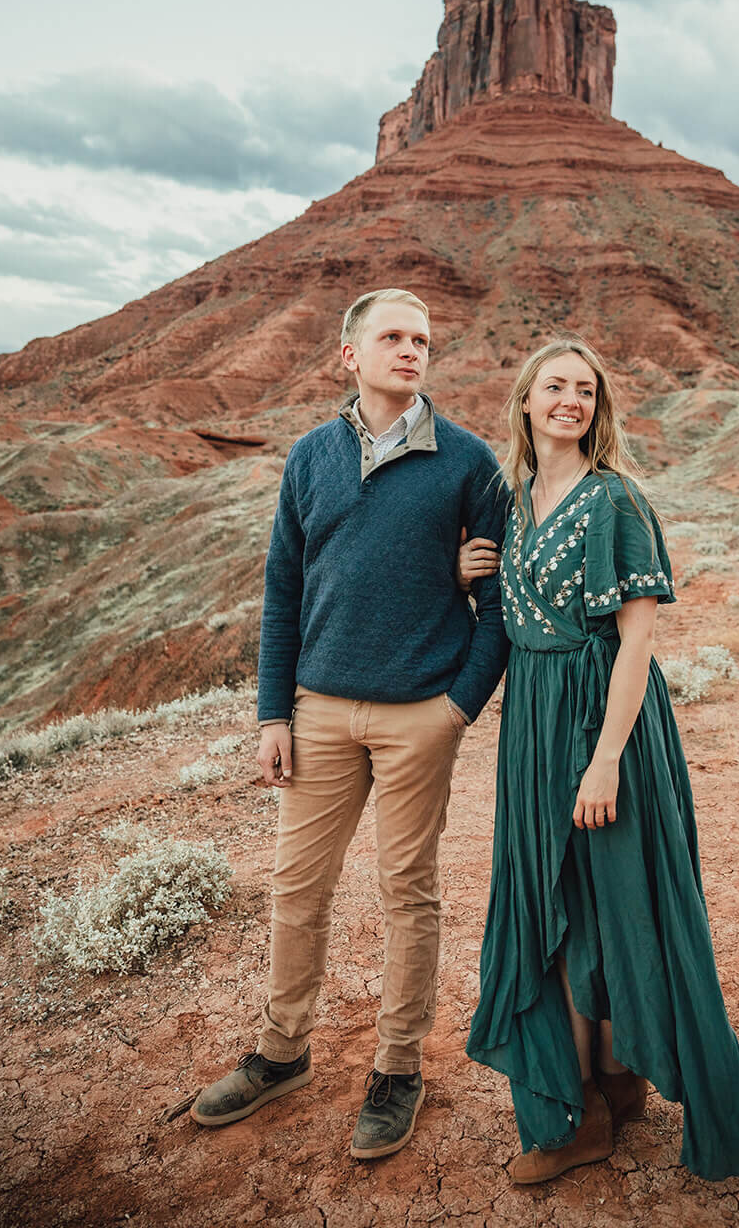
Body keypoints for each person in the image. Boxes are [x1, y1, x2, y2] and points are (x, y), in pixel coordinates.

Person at [191, 289, 509, 1160]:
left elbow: (498, 608)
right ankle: (280, 1051)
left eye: (422, 340)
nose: (411, 351)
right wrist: (272, 713)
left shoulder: (470, 464)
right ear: (349, 355)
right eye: (393, 338)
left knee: (409, 893)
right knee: (298, 888)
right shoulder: (310, 457)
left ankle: (397, 1068)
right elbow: (282, 590)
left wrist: (456, 710)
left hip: (420, 716)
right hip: (320, 711)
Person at [461, 338, 739, 1184]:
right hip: (531, 717)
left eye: (586, 390)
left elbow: (637, 639)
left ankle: (594, 1101)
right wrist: (471, 572)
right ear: (525, 400)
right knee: (555, 904)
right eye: (554, 387)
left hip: (608, 721)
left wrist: (604, 760)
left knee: (623, 901)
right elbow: (515, 607)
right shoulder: (515, 498)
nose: (570, 400)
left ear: (598, 409)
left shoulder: (615, 501)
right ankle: (595, 1092)